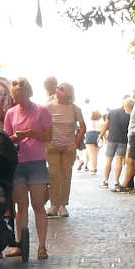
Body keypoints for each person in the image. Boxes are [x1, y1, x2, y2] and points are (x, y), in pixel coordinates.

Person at [3, 77, 53, 260]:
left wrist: (32, 133)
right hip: (18, 164)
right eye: (16, 96)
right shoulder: (11, 113)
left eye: (22, 95)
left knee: (39, 205)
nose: (19, 100)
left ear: (29, 93)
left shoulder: (41, 111)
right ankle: (21, 244)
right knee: (21, 206)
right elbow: (6, 139)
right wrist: (17, 138)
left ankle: (42, 246)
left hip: (37, 163)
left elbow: (49, 136)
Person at [45, 82, 84, 218]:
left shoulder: (75, 109)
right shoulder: (49, 107)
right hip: (53, 147)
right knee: (53, 176)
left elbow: (82, 127)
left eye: (62, 89)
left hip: (68, 148)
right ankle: (53, 204)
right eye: (58, 88)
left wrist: (76, 143)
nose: (58, 91)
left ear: (69, 92)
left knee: (66, 176)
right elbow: (42, 124)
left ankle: (62, 205)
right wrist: (47, 140)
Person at [99, 98, 130, 189]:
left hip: (112, 139)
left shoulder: (112, 112)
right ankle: (116, 182)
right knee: (119, 160)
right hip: (123, 140)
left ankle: (105, 181)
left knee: (109, 160)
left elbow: (106, 125)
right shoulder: (129, 114)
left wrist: (100, 135)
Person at [84, 109, 102, 174]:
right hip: (98, 135)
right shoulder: (101, 121)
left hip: (89, 135)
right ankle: (94, 167)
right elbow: (103, 129)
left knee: (91, 154)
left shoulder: (88, 121)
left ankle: (93, 168)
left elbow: (84, 129)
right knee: (95, 154)